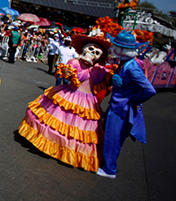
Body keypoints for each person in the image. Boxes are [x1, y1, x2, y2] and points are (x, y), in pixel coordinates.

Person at [18, 33, 113, 172]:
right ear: (84, 49)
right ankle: (50, 146)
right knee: (56, 122)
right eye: (90, 49)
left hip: (86, 102)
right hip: (70, 95)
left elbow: (108, 83)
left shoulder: (100, 70)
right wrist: (68, 70)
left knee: (78, 131)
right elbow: (67, 75)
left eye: (97, 52)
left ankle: (69, 153)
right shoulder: (75, 63)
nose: (93, 54)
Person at [97, 30, 156, 179]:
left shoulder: (132, 67)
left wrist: (135, 100)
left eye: (115, 46)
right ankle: (106, 164)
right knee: (110, 136)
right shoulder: (126, 64)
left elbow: (149, 90)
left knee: (113, 138)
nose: (112, 49)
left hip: (121, 108)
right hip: (118, 106)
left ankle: (109, 169)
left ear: (122, 50)